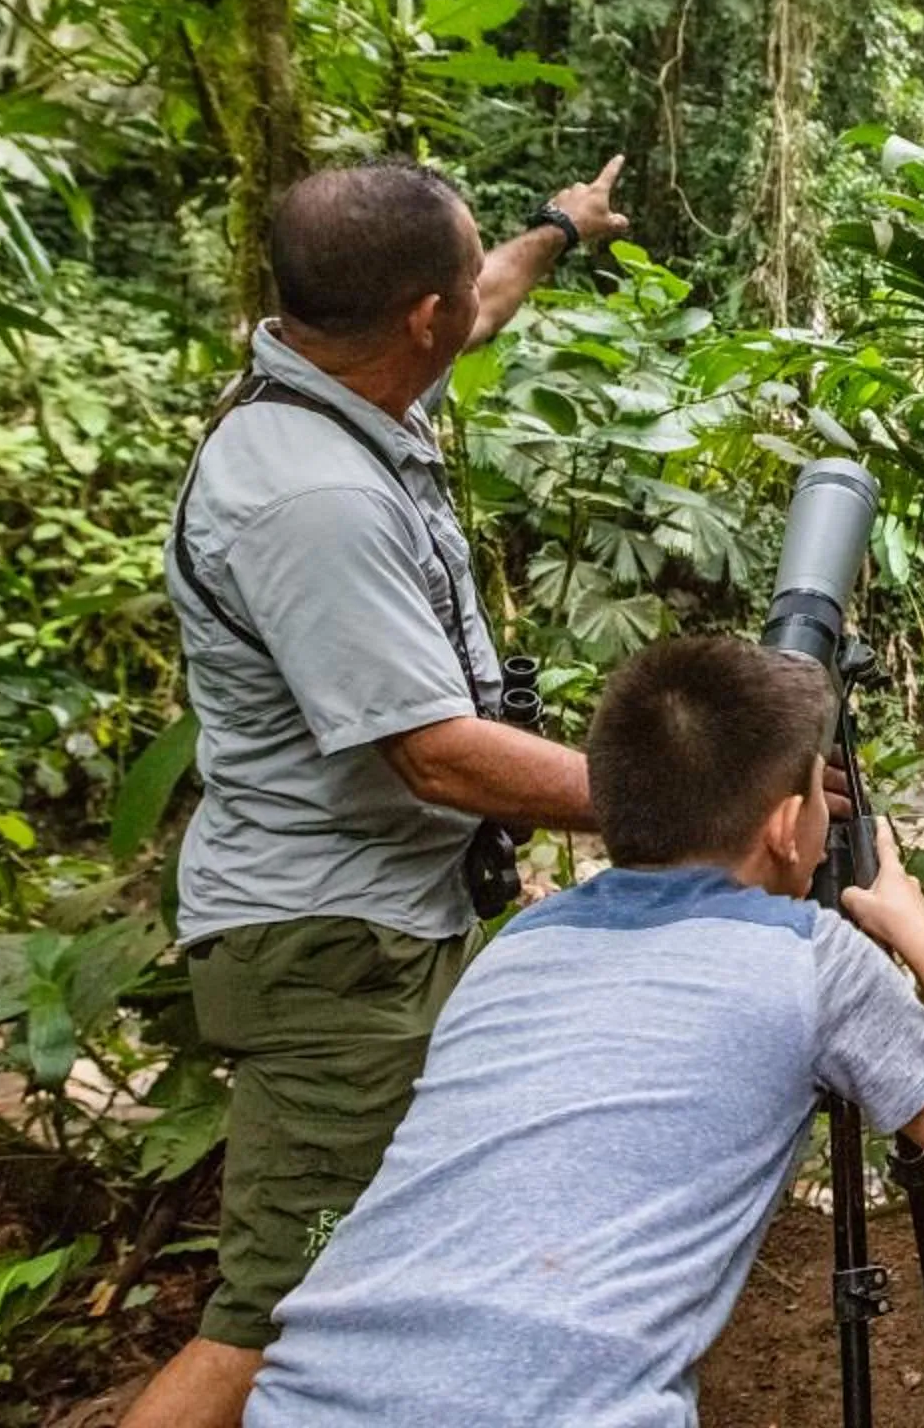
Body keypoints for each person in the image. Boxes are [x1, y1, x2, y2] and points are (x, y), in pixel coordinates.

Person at [123, 153, 632, 1428]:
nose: (480, 294)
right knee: (279, 1315)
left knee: (432, 1244)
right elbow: (438, 754)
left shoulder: (349, 374)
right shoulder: (314, 499)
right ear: (420, 315)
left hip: (394, 920)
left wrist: (554, 229)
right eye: (463, 279)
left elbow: (486, 297)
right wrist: (678, 798)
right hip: (331, 950)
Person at [246, 633, 924, 1427]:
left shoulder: (515, 949)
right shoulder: (809, 962)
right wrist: (916, 932)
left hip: (306, 1394)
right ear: (785, 827)